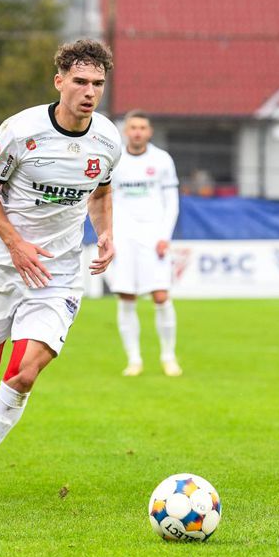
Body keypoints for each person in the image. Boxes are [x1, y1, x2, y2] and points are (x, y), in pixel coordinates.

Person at [0, 39, 120, 500]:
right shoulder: (20, 131)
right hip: (3, 266)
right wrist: (16, 243)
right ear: (59, 81)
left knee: (23, 374)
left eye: (97, 83)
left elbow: (101, 193)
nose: (89, 92)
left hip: (59, 276)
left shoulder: (107, 139)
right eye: (80, 81)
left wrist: (105, 233)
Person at [111, 110, 181, 377]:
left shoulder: (162, 160)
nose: (137, 132)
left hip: (153, 236)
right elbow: (105, 199)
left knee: (160, 296)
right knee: (126, 297)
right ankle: (134, 359)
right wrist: (109, 235)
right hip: (123, 236)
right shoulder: (115, 159)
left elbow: (171, 202)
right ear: (126, 131)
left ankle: (168, 356)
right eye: (133, 127)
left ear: (149, 132)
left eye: (142, 127)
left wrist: (165, 236)